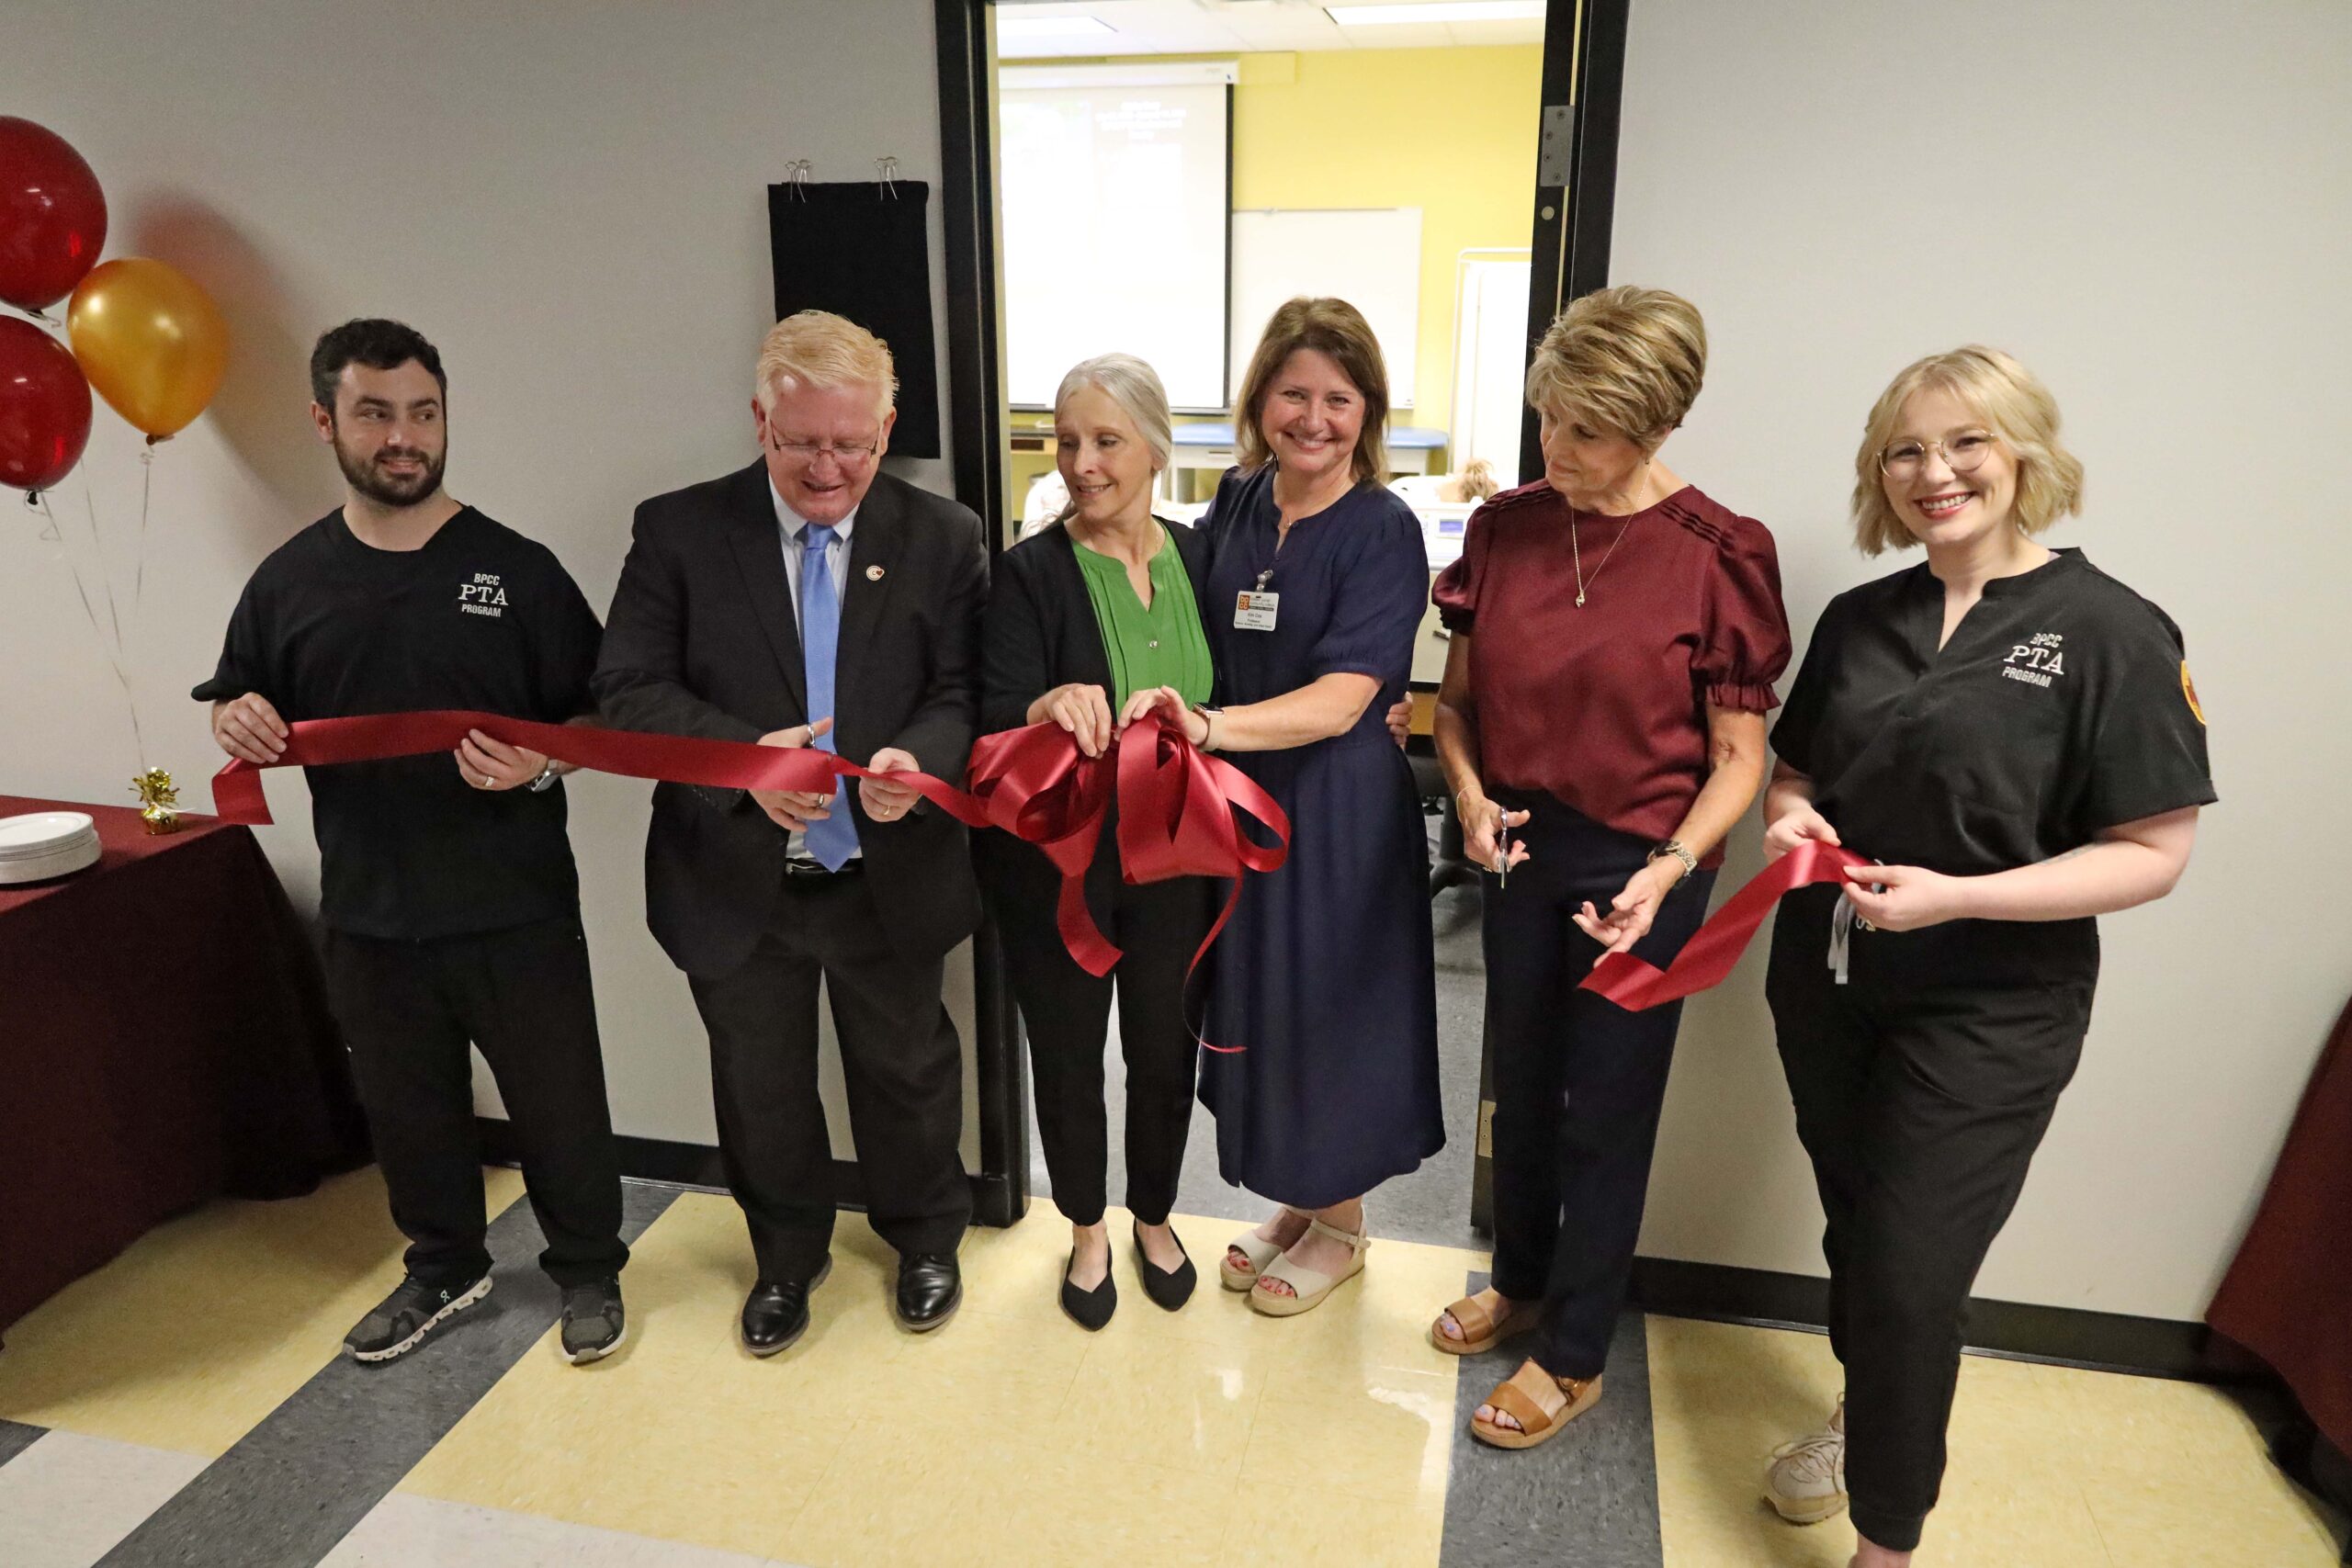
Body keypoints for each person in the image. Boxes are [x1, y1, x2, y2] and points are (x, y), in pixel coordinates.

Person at [1757, 347, 2211, 1566]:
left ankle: (1886, 1542)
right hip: (1834, 974)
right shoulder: (1862, 621)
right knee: (1858, 1232)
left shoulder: (2110, 627)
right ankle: (1869, 1414)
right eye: (1905, 448)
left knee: (1911, 1270)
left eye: (1966, 442)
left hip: (1993, 1003)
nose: (1935, 471)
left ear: (2022, 451)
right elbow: (1796, 771)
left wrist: (1962, 896)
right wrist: (1787, 816)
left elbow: (2154, 849)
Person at [196, 319, 629, 1366]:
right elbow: (240, 698)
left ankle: (588, 1271)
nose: (404, 437)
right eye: (376, 413)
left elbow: (602, 716)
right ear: (326, 421)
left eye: (423, 413)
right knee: (409, 1113)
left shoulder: (515, 572)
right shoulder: (288, 583)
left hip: (513, 906)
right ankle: (444, 1267)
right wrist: (234, 718)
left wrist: (546, 760)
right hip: (370, 914)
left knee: (560, 1107)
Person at [1425, 286, 1791, 1448]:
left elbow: (1741, 756)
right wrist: (1473, 801)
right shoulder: (1505, 527)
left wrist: (1672, 868)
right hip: (1519, 842)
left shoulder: (1718, 554)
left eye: (1587, 431)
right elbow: (1455, 708)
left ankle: (1575, 1351)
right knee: (1518, 1091)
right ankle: (1522, 1280)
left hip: (1645, 866)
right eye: (1548, 420)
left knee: (1607, 1110)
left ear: (1657, 426)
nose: (1557, 450)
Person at [593, 310, 987, 1352]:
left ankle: (925, 1240)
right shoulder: (679, 530)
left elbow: (961, 693)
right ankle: (786, 1261)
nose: (827, 468)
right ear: (758, 419)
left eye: (852, 444)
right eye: (801, 441)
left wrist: (920, 760)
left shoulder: (942, 536)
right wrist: (745, 765)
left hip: (884, 871)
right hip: (734, 876)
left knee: (907, 1070)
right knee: (759, 1087)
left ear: (887, 426)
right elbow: (625, 692)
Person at [1140, 296, 1442, 1318]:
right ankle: (1303, 1200)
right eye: (1293, 395)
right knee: (1257, 1003)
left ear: (1370, 411)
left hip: (1333, 809)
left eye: (1338, 400)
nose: (1313, 419)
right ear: (1259, 399)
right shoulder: (1236, 499)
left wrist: (1212, 729)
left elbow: (1345, 697)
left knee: (1327, 1011)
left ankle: (1344, 1224)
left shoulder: (1383, 530)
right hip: (1237, 799)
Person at [978, 354, 1216, 1329]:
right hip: (1062, 870)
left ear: (1155, 448)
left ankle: (1152, 1214)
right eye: (1065, 441)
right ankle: (1083, 1227)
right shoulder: (1027, 573)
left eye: (1105, 441)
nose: (1080, 463)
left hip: (1179, 858)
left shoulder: (1201, 558)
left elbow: (1234, 700)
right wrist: (1044, 702)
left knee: (1164, 1047)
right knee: (1070, 1050)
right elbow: (989, 720)